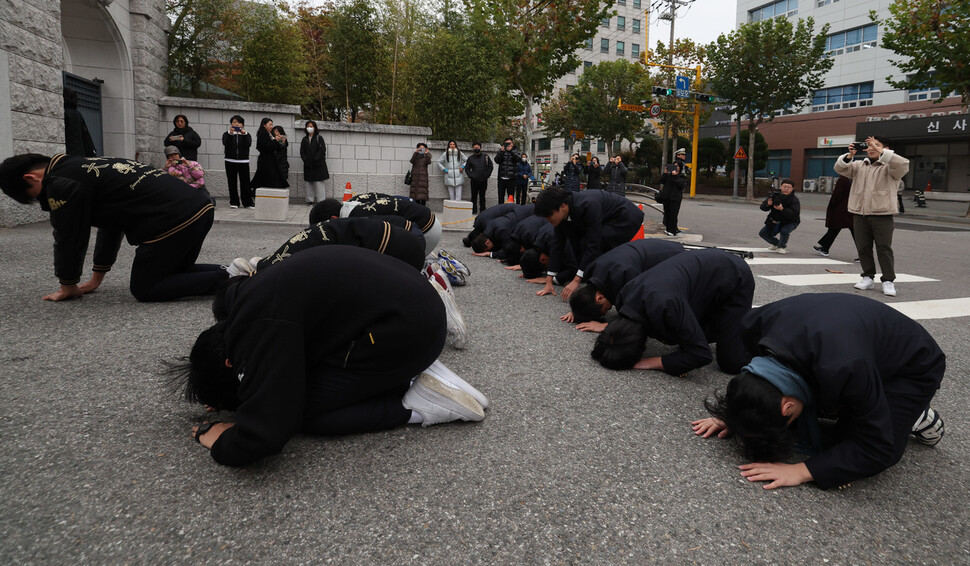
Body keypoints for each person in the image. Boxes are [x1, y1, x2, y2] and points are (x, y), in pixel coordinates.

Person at [178, 246, 488, 467]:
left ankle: (414, 405)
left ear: (231, 362)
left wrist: (220, 439)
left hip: (410, 333)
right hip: (412, 308)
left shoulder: (261, 328)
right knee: (296, 378)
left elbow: (265, 435)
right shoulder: (247, 299)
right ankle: (404, 372)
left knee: (301, 410)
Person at [692, 293, 945, 490]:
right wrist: (739, 412)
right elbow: (758, 379)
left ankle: (916, 415)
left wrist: (802, 471)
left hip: (909, 368)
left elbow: (878, 450)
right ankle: (875, 406)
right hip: (852, 351)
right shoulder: (754, 323)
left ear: (787, 407)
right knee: (827, 414)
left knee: (848, 443)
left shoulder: (845, 367)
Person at [0, 153, 228, 302]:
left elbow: (68, 235)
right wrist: (96, 278)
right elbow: (110, 224)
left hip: (173, 218)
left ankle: (235, 281)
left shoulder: (60, 183)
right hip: (198, 208)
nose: (43, 201)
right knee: (174, 274)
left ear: (31, 178)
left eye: (34, 196)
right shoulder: (81, 165)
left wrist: (68, 284)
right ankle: (241, 271)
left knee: (146, 288)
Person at [590, 249, 755, 376]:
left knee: (731, 362)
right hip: (706, 274)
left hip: (734, 277)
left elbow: (701, 354)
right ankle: (730, 325)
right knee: (683, 340)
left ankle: (759, 325)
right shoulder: (623, 299)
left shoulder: (666, 307)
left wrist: (651, 362)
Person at [533, 188, 645, 300]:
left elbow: (593, 245)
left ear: (563, 206)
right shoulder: (565, 212)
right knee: (577, 242)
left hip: (625, 217)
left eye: (549, 215)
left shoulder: (588, 205)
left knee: (599, 243)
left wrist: (576, 280)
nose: (548, 220)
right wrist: (549, 281)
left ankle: (601, 288)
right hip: (606, 218)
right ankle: (590, 279)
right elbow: (558, 244)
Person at [834, 136, 910, 297]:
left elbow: (904, 165)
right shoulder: (859, 165)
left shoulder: (890, 166)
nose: (872, 148)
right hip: (859, 213)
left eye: (876, 145)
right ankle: (867, 277)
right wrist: (849, 156)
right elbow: (840, 169)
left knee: (884, 248)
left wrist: (882, 151)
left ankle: (888, 280)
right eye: (869, 146)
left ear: (886, 149)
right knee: (863, 248)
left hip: (882, 214)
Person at [565, 239, 685, 331]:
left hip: (674, 258)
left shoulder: (627, 278)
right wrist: (579, 309)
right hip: (655, 247)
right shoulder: (592, 270)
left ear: (599, 298)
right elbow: (586, 295)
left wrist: (606, 326)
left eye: (604, 311)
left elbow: (638, 314)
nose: (608, 310)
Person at [310, 192, 442, 255]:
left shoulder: (357, 217)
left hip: (426, 228)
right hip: (423, 215)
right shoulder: (353, 203)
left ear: (333, 219)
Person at [469, 204, 535, 258]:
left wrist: (490, 254)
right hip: (525, 210)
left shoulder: (502, 231)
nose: (490, 249)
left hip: (533, 213)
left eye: (488, 249)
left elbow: (510, 253)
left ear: (487, 243)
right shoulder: (489, 226)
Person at [813, 175, 854, 257]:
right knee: (835, 229)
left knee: (836, 228)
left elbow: (837, 195)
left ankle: (864, 254)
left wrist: (831, 206)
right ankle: (825, 248)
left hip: (841, 209)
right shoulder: (853, 178)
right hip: (852, 208)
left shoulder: (843, 179)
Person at [758, 179, 800, 255]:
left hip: (791, 221)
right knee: (763, 233)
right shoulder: (774, 196)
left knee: (784, 231)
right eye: (784, 186)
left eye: (789, 187)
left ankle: (782, 246)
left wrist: (782, 209)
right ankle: (776, 243)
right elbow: (763, 208)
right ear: (781, 187)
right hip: (775, 220)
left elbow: (795, 215)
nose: (786, 189)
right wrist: (768, 204)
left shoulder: (794, 200)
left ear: (793, 189)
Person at [222, 115, 253, 209]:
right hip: (230, 160)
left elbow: (248, 144)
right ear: (231, 124)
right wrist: (231, 134)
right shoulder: (226, 134)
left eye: (239, 122)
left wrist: (243, 134)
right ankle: (234, 202)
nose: (236, 124)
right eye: (234, 122)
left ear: (242, 124)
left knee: (245, 182)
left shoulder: (246, 134)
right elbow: (225, 143)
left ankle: (247, 203)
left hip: (243, 161)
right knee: (232, 182)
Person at [250, 117, 288, 191]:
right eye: (270, 125)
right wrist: (275, 141)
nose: (271, 126)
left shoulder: (269, 134)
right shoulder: (262, 133)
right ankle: (254, 191)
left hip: (270, 158)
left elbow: (275, 147)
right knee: (264, 177)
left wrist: (281, 142)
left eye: (272, 125)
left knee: (267, 177)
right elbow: (264, 147)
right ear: (264, 125)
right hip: (266, 159)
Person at [300, 120, 329, 205]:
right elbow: (302, 151)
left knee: (319, 183)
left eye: (311, 126)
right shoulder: (304, 139)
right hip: (308, 165)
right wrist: (305, 160)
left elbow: (322, 150)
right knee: (309, 182)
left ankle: (321, 201)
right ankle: (310, 200)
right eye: (308, 126)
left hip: (318, 164)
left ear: (315, 128)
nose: (309, 128)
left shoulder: (319, 138)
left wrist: (316, 159)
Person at [63, 88, 97, 157]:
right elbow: (85, 135)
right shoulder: (78, 114)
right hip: (79, 153)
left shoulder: (64, 113)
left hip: (67, 153)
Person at [657, 159, 686, 236]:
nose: (675, 167)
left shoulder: (681, 177)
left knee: (673, 215)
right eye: (674, 165)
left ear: (680, 168)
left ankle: (673, 231)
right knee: (667, 214)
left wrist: (675, 175)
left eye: (677, 166)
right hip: (667, 198)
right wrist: (665, 173)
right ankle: (668, 229)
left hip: (675, 199)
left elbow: (680, 185)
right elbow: (661, 181)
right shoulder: (669, 175)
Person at [463, 142, 493, 214]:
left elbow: (490, 167)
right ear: (473, 148)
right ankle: (473, 210)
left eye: (478, 147)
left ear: (480, 148)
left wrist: (486, 175)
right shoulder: (470, 158)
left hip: (483, 180)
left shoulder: (486, 157)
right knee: (473, 196)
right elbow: (467, 169)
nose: (476, 149)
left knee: (482, 196)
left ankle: (482, 210)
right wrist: (471, 176)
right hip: (474, 181)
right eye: (475, 148)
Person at [494, 138, 521, 204]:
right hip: (501, 177)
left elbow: (519, 159)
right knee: (501, 196)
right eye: (507, 143)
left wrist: (511, 151)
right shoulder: (501, 151)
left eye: (509, 143)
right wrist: (501, 152)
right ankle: (500, 211)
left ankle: (509, 211)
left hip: (511, 178)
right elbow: (497, 160)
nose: (508, 145)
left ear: (512, 144)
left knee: (510, 197)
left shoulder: (515, 151)